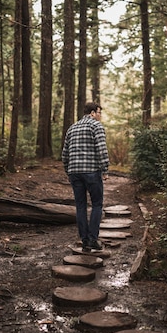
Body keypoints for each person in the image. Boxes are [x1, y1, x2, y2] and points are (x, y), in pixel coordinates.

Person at [62, 102, 110, 252]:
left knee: (81, 206)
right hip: (91, 172)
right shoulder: (96, 126)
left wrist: (68, 170)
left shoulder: (72, 128)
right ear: (92, 113)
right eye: (99, 113)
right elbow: (101, 149)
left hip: (74, 172)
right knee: (97, 204)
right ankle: (93, 239)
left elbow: (65, 153)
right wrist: (105, 169)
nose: (100, 116)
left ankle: (84, 241)